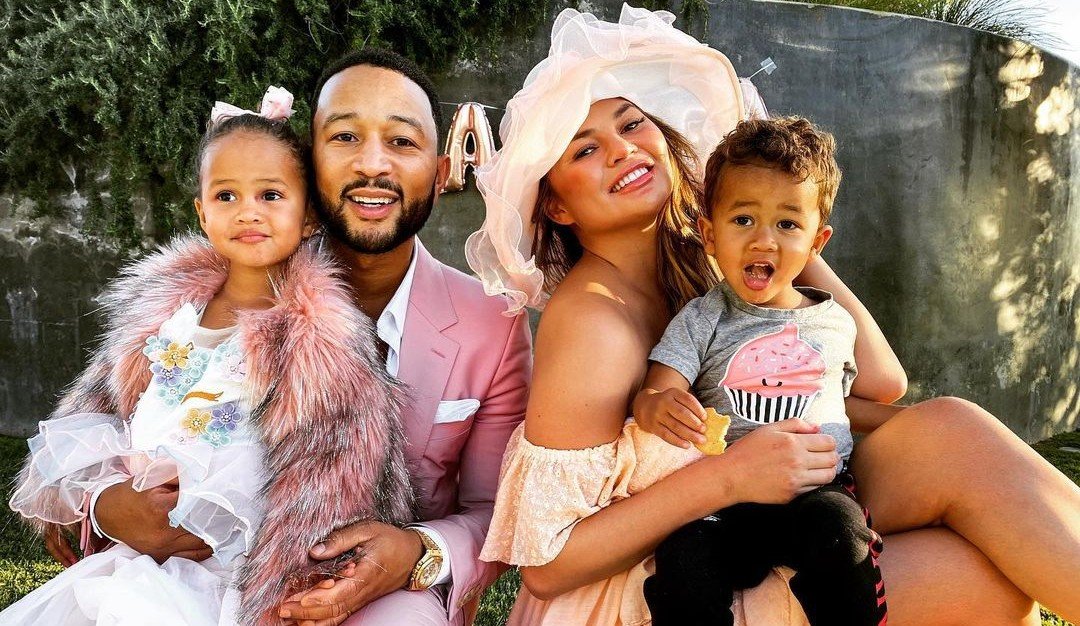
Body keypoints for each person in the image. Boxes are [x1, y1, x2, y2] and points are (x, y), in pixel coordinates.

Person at [471, 6, 1080, 625]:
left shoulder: (702, 263)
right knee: (982, 583)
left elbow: (879, 382)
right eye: (585, 149)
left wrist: (786, 232)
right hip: (664, 582)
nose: (623, 149)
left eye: (631, 123)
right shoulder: (591, 319)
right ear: (556, 203)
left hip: (780, 508)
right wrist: (729, 480)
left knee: (953, 430)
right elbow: (549, 567)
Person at [42, 49, 532, 626]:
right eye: (344, 137)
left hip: (377, 599)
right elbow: (99, 425)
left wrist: (417, 553)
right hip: (190, 581)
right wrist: (105, 508)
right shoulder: (206, 292)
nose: (372, 164)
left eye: (402, 142)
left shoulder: (491, 323)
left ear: (443, 166)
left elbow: (493, 512)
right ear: (309, 159)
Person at [5, 87, 414, 625]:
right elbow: (93, 417)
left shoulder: (323, 343)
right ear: (201, 212)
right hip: (141, 570)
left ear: (309, 215)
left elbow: (339, 479)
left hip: (239, 579)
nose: (248, 212)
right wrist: (106, 501)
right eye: (226, 196)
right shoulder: (163, 318)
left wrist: (292, 582)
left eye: (270, 195)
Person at [635, 117, 886, 626]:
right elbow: (655, 392)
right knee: (681, 563)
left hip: (818, 490)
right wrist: (657, 404)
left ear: (818, 243)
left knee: (842, 534)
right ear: (708, 234)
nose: (763, 242)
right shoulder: (704, 318)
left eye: (788, 224)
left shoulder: (835, 321)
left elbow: (845, 400)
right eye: (743, 219)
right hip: (728, 500)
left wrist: (901, 420)